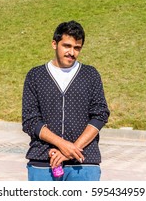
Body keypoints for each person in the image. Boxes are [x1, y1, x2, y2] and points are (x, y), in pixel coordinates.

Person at [22, 20, 110, 181]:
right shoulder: (35, 76)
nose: (72, 52)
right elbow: (30, 120)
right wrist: (63, 145)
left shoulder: (90, 75)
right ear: (54, 44)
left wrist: (72, 149)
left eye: (77, 48)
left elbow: (100, 115)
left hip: (83, 163)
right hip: (43, 160)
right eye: (67, 46)